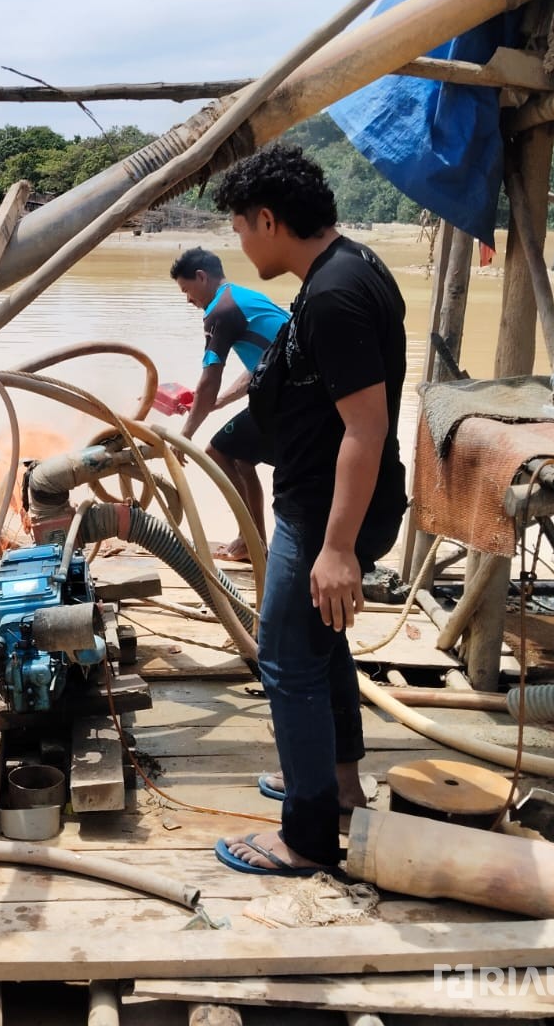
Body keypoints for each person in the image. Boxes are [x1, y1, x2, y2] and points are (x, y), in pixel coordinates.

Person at [210, 145, 407, 878]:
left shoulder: (333, 296)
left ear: (268, 220)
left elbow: (366, 428)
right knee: (323, 645)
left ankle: (308, 837)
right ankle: (341, 785)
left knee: (288, 661)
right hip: (329, 505)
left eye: (240, 228)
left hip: (327, 514)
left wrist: (338, 548)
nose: (240, 244)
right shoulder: (352, 267)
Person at [169, 247, 289, 557]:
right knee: (241, 458)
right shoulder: (243, 297)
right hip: (296, 393)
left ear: (201, 277)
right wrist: (219, 402)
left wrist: (185, 435)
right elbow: (261, 366)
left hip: (289, 400)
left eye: (186, 290)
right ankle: (253, 541)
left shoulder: (220, 311)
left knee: (217, 451)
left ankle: (252, 541)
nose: (188, 300)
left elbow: (209, 380)